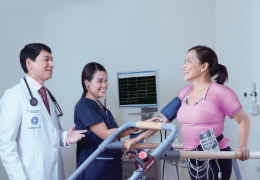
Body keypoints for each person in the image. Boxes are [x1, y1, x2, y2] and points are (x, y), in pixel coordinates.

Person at [125, 45, 250, 180]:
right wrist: (138, 139)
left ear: (204, 67)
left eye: (189, 61)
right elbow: (162, 120)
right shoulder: (185, 92)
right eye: (185, 61)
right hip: (192, 156)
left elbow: (243, 120)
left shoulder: (221, 92)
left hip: (215, 155)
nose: (184, 66)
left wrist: (242, 146)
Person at [0, 43, 87, 180]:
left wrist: (65, 137)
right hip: (31, 174)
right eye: (46, 59)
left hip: (54, 173)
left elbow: (51, 133)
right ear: (29, 63)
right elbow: (6, 145)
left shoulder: (47, 96)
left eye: (52, 60)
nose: (51, 64)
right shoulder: (15, 95)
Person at [74, 62, 154, 180]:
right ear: (87, 83)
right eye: (99, 81)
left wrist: (123, 149)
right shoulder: (84, 106)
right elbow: (106, 134)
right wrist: (138, 126)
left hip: (111, 169)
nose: (104, 85)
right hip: (94, 170)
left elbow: (112, 139)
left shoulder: (104, 109)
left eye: (106, 80)